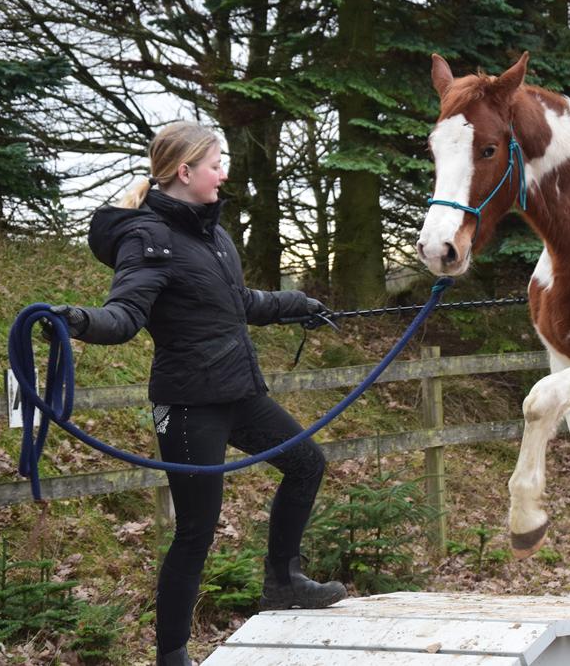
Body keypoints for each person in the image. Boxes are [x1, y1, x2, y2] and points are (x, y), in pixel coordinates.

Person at [45, 122, 346, 666]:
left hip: (237, 392)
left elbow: (240, 302)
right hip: (188, 405)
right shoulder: (148, 239)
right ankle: (172, 655)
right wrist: (77, 320)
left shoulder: (213, 235)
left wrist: (297, 303)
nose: (223, 174)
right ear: (185, 172)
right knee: (196, 531)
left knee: (306, 463)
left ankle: (283, 581)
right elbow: (125, 314)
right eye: (215, 165)